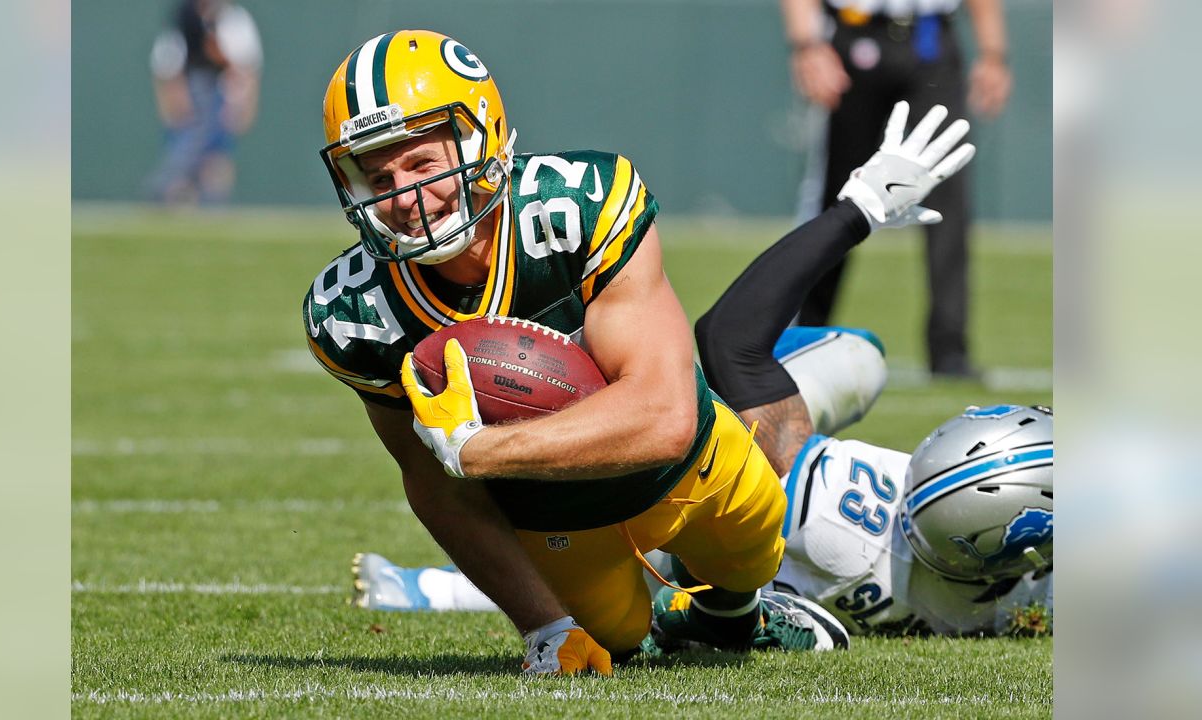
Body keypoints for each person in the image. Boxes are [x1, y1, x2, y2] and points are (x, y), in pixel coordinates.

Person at [303, 29, 973, 674]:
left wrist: (482, 451)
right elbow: (432, 487)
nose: (403, 196)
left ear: (480, 137)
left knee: (752, 549)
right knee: (615, 638)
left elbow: (663, 419)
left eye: (422, 161)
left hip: (682, 467)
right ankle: (665, 613)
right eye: (377, 173)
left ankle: (733, 615)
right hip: (555, 513)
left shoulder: (576, 206)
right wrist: (545, 626)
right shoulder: (355, 313)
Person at [353, 404, 1053, 638]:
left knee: (652, 586)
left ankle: (443, 588)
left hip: (745, 559)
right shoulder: (837, 516)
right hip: (756, 487)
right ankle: (445, 586)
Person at [781, 0, 1012, 378]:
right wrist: (807, 44)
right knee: (839, 195)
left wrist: (993, 53)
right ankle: (806, 335)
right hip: (854, 36)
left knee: (948, 193)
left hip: (930, 38)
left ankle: (950, 349)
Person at [147, 0, 262, 205]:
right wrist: (175, 99)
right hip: (196, 96)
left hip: (222, 99)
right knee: (187, 152)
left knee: (216, 160)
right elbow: (167, 68)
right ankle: (166, 191)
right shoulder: (186, 18)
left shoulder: (232, 19)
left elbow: (245, 68)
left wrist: (243, 103)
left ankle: (211, 208)